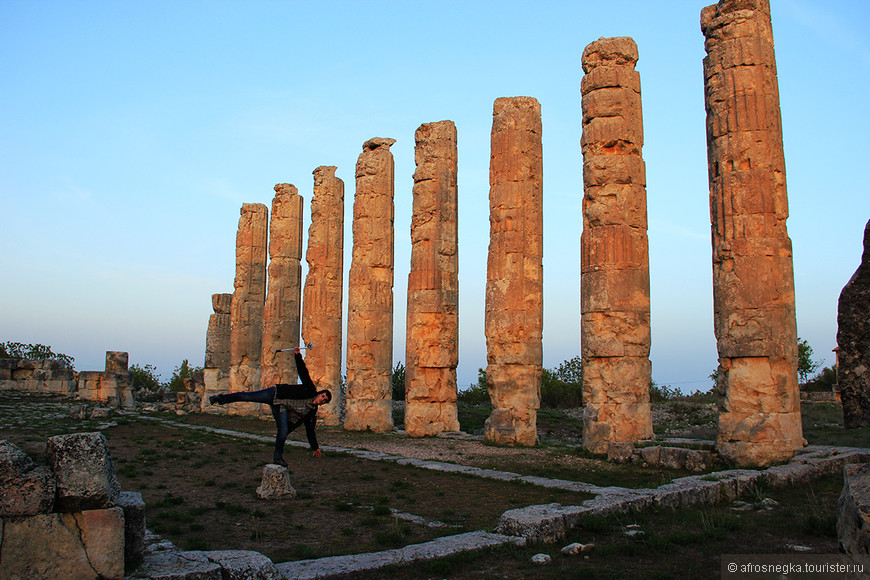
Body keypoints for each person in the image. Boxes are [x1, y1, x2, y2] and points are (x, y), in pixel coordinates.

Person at [209, 347, 331, 467]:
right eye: (323, 396)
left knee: (283, 431)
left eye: (325, 400)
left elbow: (310, 430)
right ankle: (219, 398)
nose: (322, 399)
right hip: (276, 394)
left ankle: (278, 457)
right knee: (247, 396)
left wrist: (315, 447)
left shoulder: (311, 412)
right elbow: (303, 373)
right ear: (319, 394)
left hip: (281, 407)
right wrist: (297, 355)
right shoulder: (310, 390)